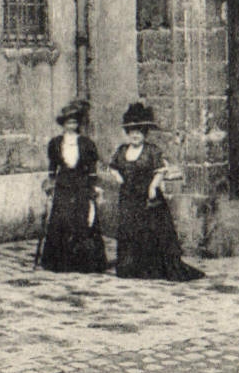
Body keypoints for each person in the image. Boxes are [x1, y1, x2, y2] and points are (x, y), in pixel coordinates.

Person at [108, 102, 204, 281]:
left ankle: (150, 268)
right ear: (128, 133)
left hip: (148, 197)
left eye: (139, 132)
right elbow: (113, 167)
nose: (135, 135)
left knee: (149, 231)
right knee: (130, 230)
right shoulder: (122, 151)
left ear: (144, 134)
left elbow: (160, 171)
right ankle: (131, 267)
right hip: (128, 197)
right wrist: (118, 177)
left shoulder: (152, 150)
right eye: (132, 132)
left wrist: (153, 186)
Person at [38, 100, 108, 273]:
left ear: (78, 124)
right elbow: (53, 166)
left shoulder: (86, 143)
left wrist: (93, 186)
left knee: (82, 218)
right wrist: (51, 183)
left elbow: (92, 168)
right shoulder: (55, 143)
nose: (71, 125)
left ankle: (83, 262)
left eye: (74, 122)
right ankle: (60, 262)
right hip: (63, 184)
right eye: (68, 122)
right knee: (62, 219)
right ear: (63, 124)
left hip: (81, 184)